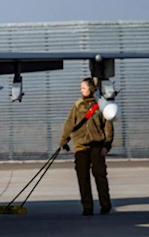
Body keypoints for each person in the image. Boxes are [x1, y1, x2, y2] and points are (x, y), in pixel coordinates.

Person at [59, 77, 113, 216]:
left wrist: (107, 145)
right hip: (80, 146)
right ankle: (87, 207)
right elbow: (69, 124)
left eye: (83, 87)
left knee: (100, 176)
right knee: (83, 178)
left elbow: (108, 127)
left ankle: (105, 204)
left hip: (97, 146)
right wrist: (63, 142)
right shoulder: (78, 106)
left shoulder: (101, 106)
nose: (81, 90)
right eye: (81, 88)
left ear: (91, 88)